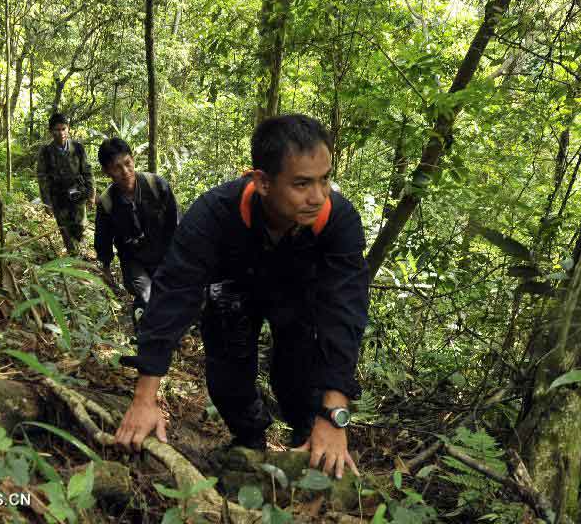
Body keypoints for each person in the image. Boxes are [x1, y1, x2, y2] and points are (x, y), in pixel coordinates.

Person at [115, 114, 369, 479]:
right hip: (233, 294)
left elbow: (345, 310)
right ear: (262, 182)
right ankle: (250, 439)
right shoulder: (214, 215)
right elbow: (174, 295)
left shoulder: (338, 221)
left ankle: (309, 442)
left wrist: (333, 413)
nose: (318, 196)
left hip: (299, 302)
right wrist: (144, 398)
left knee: (299, 376)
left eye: (324, 179)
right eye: (301, 183)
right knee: (228, 375)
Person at [94, 137, 180, 333]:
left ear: (133, 160)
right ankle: (144, 337)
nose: (125, 172)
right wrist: (105, 267)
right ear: (107, 172)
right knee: (148, 295)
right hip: (134, 262)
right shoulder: (107, 203)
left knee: (171, 298)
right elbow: (103, 239)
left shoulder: (157, 185)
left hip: (164, 256)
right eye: (117, 168)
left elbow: (176, 225)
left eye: (127, 163)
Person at [37, 113, 95, 254]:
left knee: (80, 227)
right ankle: (74, 257)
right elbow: (42, 177)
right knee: (65, 229)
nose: (61, 133)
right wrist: (47, 203)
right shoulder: (46, 152)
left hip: (78, 195)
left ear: (68, 129)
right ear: (51, 131)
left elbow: (87, 171)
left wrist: (91, 194)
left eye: (63, 129)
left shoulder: (78, 148)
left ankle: (81, 253)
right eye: (57, 130)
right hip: (59, 198)